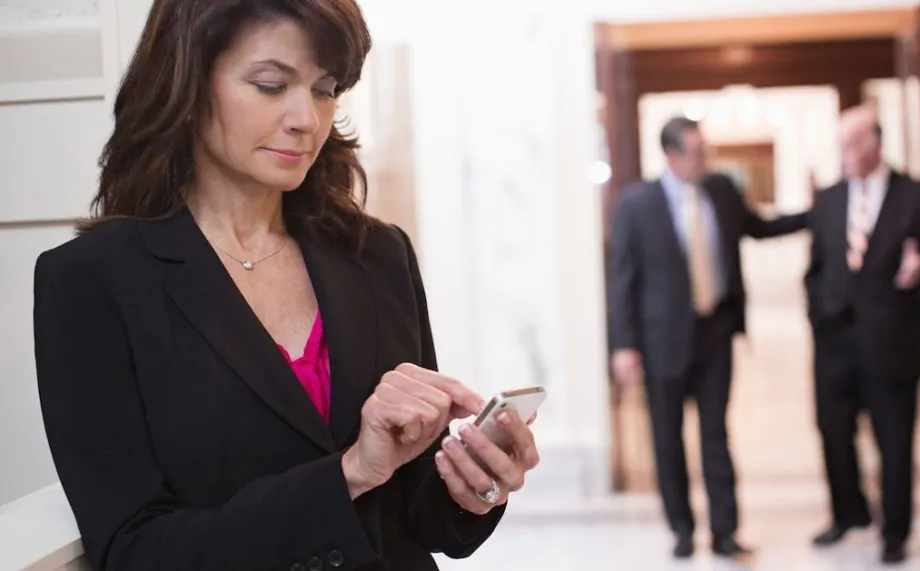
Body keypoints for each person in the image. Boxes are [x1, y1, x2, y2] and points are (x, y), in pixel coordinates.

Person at [32, 1, 540, 569]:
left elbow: (415, 513)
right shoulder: (92, 281)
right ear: (187, 84)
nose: (307, 119)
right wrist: (349, 474)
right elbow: (135, 552)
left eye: (325, 90)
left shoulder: (378, 255)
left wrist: (473, 483)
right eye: (271, 86)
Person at [607, 117, 809, 558]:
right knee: (668, 438)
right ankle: (682, 528)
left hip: (715, 332)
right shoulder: (636, 204)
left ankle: (725, 531)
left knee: (716, 434)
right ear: (672, 155)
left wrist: (818, 214)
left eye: (706, 150)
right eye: (697, 152)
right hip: (662, 341)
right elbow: (622, 280)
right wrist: (623, 345)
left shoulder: (721, 190)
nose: (705, 159)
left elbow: (758, 227)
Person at [804, 105, 920, 565]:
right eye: (840, 145)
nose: (843, 154)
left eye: (851, 144)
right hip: (835, 344)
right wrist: (817, 310)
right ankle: (849, 513)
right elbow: (816, 266)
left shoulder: (915, 196)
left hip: (892, 342)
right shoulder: (829, 199)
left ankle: (895, 531)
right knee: (834, 433)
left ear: (874, 144)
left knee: (894, 440)